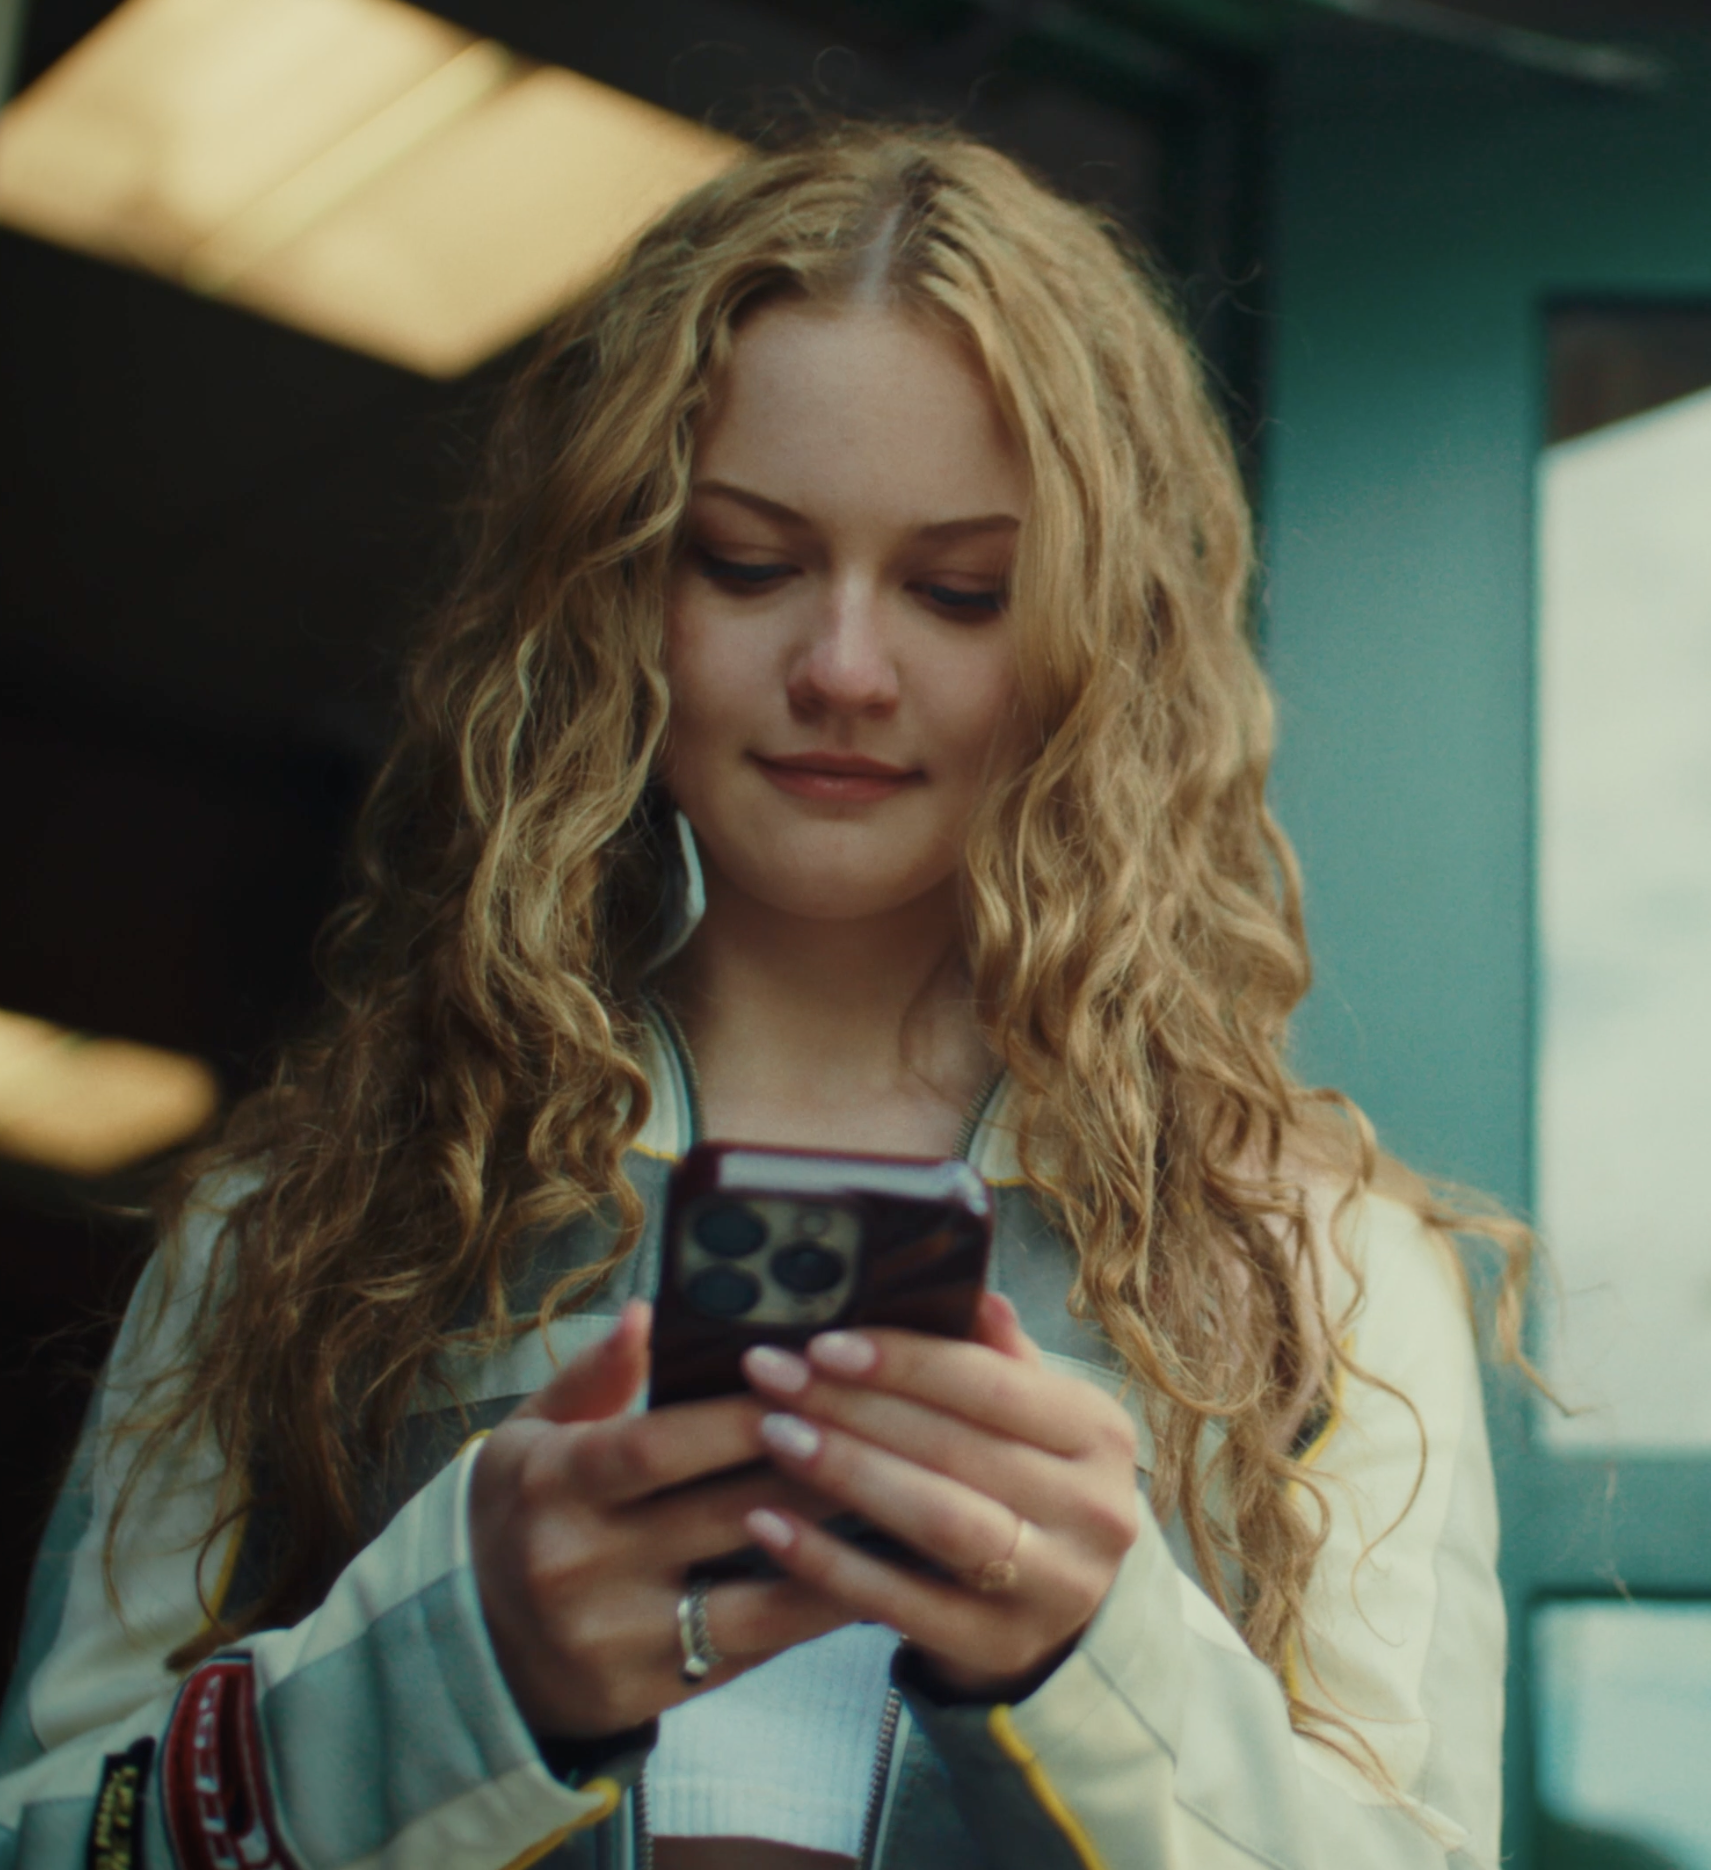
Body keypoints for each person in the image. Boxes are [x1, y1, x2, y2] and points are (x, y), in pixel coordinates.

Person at [0, 124, 1527, 1870]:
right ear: (614, 595)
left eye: (962, 589)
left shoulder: (1313, 1270)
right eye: (745, 561)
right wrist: (461, 1665)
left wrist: (1093, 1662)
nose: (846, 669)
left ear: (1104, 638)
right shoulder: (311, 1223)